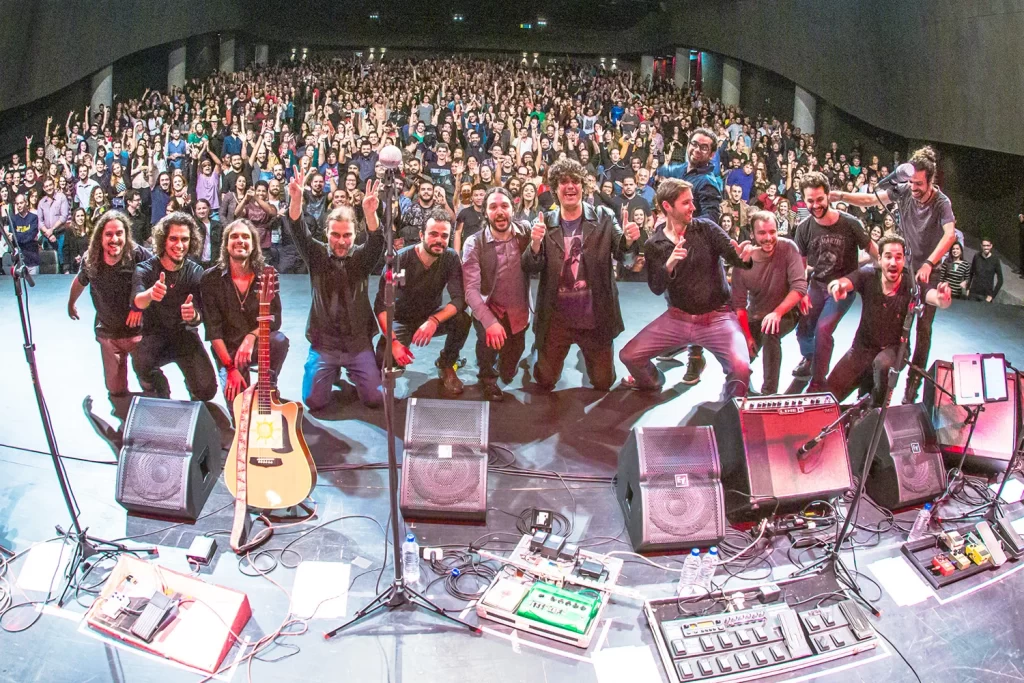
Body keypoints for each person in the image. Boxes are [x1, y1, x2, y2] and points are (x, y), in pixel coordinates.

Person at [833, 146, 955, 403]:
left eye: (919, 183)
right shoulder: (904, 191)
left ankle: (913, 385)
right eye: (911, 182)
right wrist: (841, 195)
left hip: (928, 269)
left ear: (931, 180)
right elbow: (870, 199)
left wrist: (929, 263)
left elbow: (949, 235)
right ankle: (881, 373)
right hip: (903, 264)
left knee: (923, 328)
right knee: (893, 321)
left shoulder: (941, 203)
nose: (914, 187)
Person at [619, 178, 755, 398]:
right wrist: (669, 264)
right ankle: (653, 381)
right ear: (667, 206)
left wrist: (744, 258)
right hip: (678, 318)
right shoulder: (655, 244)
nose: (693, 207)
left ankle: (730, 404)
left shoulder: (706, 228)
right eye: (686, 203)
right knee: (629, 356)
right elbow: (656, 287)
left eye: (692, 201)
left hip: (718, 317)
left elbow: (735, 256)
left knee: (741, 369)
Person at [523, 158, 640, 392]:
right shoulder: (544, 222)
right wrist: (535, 244)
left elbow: (626, 259)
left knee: (603, 382)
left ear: (583, 186)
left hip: (594, 316)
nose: (570, 186)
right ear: (555, 188)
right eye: (563, 182)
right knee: (544, 380)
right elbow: (531, 267)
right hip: (557, 318)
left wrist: (628, 241)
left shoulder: (604, 216)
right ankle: (539, 350)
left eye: (575, 181)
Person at [285, 177, 385, 411]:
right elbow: (297, 229)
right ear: (326, 233)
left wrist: (370, 214)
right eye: (335, 235)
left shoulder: (362, 257)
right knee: (313, 401)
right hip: (324, 343)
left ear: (355, 234)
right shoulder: (316, 254)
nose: (341, 241)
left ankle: (352, 370)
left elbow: (376, 241)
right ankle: (331, 371)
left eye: (347, 235)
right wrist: (296, 199)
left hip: (357, 343)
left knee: (375, 399)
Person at [826, 235, 952, 407]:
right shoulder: (868, 275)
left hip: (895, 349)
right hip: (862, 348)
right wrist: (836, 286)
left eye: (898, 257)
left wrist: (942, 299)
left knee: (882, 365)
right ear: (879, 259)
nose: (893, 262)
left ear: (904, 260)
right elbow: (843, 282)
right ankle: (864, 393)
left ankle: (876, 407)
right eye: (888, 257)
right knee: (828, 396)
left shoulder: (911, 284)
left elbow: (935, 298)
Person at [793, 172, 876, 393]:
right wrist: (801, 293)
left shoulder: (851, 223)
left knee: (823, 330)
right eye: (810, 200)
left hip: (842, 288)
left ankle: (818, 381)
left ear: (828, 195)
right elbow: (800, 266)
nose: (815, 205)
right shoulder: (803, 228)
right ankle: (811, 358)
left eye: (820, 199)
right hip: (817, 285)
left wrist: (890, 269)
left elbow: (874, 251)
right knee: (803, 330)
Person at [375, 208, 472, 397]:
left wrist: (434, 320)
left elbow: (460, 299)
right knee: (384, 364)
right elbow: (381, 305)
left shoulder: (450, 258)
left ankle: (446, 364)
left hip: (430, 315)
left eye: (444, 236)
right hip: (400, 319)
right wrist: (393, 342)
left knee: (462, 319)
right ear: (421, 235)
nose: (439, 240)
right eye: (433, 234)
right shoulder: (399, 259)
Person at [654, 128, 726, 380]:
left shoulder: (708, 182)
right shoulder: (678, 170)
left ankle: (696, 357)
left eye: (704, 147)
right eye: (694, 144)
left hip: (697, 251)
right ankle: (680, 340)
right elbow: (660, 183)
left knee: (695, 304)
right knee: (673, 296)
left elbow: (711, 220)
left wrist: (681, 225)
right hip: (673, 245)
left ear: (712, 154)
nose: (696, 149)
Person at [130, 212, 218, 401]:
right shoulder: (145, 269)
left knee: (207, 390)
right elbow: (137, 301)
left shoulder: (195, 272)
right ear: (163, 240)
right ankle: (159, 388)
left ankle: (192, 384)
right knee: (141, 362)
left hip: (184, 335)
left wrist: (192, 316)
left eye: (184, 239)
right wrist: (150, 294)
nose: (179, 245)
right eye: (173, 239)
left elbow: (200, 315)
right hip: (153, 336)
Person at [200, 219, 288, 404]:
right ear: (226, 244)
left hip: (256, 345)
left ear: (253, 244)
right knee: (239, 409)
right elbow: (213, 331)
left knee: (279, 340)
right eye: (234, 236)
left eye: (245, 237)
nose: (240, 240)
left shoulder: (266, 274)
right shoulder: (210, 279)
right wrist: (230, 368)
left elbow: (275, 319)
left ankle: (268, 385)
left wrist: (251, 337)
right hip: (228, 351)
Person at [67, 210, 150, 398]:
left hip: (139, 331)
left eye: (119, 233)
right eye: (109, 234)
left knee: (150, 383)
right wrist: (71, 303)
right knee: (115, 390)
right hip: (108, 331)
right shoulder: (91, 258)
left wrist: (140, 306)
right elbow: (80, 281)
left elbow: (158, 278)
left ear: (126, 234)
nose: (115, 239)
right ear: (100, 236)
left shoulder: (138, 254)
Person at [462, 187, 532, 402]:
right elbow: (470, 290)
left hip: (519, 312)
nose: (500, 212)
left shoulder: (526, 232)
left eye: (504, 206)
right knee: (487, 349)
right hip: (490, 310)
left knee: (509, 369)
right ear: (485, 212)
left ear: (513, 209)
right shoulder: (474, 243)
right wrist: (489, 321)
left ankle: (504, 366)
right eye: (493, 207)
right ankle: (487, 377)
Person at [731, 211, 807, 395]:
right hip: (757, 314)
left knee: (770, 331)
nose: (768, 238)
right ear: (752, 234)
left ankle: (769, 393)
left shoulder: (788, 247)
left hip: (786, 312)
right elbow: (739, 305)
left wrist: (777, 313)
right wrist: (747, 336)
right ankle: (737, 387)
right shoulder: (742, 264)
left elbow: (799, 286)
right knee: (736, 353)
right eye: (762, 233)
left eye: (772, 232)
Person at [6, 194, 40, 274]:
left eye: (21, 203)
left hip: (32, 259)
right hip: (19, 261)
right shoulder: (13, 219)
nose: (19, 206)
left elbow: (31, 236)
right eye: (17, 204)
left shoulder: (34, 217)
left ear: (26, 203)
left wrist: (16, 236)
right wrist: (23, 235)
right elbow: (12, 239)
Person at [967, 238, 1003, 303]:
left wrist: (992, 295)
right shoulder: (976, 256)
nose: (986, 247)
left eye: (988, 245)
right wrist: (968, 288)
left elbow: (1000, 280)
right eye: (984, 245)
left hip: (986, 296)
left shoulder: (995, 260)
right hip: (974, 294)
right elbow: (971, 273)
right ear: (981, 246)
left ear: (991, 246)